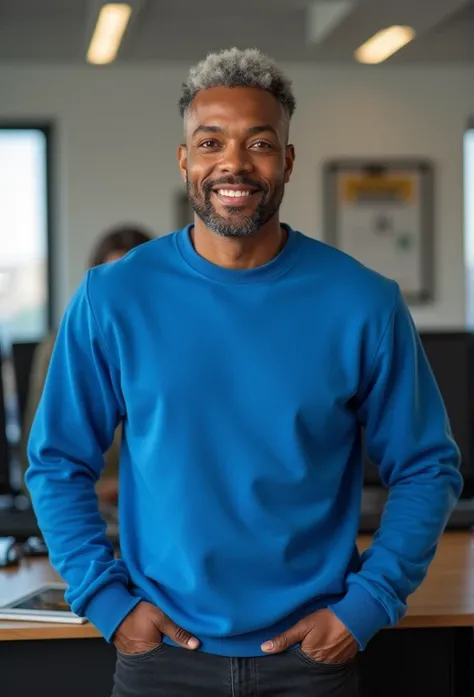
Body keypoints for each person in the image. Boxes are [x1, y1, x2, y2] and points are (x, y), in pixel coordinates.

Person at [25, 48, 462, 697]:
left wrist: (367, 604)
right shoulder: (112, 296)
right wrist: (108, 602)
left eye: (259, 143)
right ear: (185, 161)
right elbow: (57, 460)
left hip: (313, 660)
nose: (234, 162)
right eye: (211, 142)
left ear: (286, 160)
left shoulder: (363, 300)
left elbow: (428, 466)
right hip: (161, 658)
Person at [21, 223, 153, 504]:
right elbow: (45, 448)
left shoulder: (171, 340)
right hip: (92, 502)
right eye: (114, 281)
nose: (123, 294)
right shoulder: (64, 343)